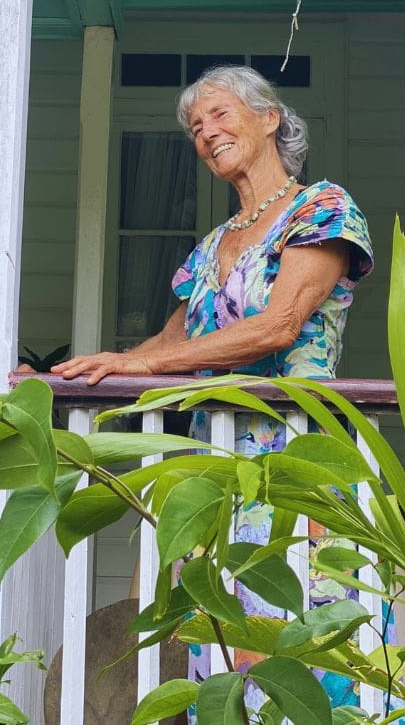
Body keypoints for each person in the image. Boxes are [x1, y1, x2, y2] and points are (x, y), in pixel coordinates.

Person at [49, 63, 376, 709]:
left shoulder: (322, 208)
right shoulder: (213, 246)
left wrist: (143, 368)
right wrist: (99, 368)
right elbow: (170, 346)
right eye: (196, 127)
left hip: (291, 467)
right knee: (217, 646)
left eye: (220, 115)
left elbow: (279, 325)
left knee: (301, 637)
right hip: (211, 477)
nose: (206, 133)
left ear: (269, 118)